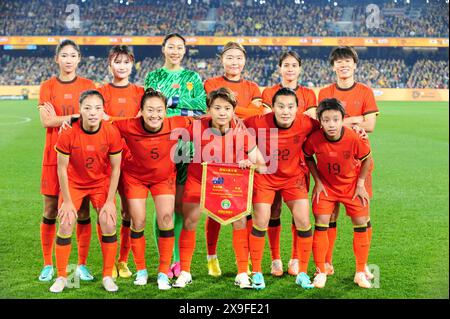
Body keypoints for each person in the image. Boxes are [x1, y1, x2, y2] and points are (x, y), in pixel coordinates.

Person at [172, 87, 266, 289]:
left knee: (239, 222)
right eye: (217, 108)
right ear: (209, 110)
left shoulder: (242, 132)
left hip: (230, 184)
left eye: (226, 108)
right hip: (198, 181)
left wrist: (251, 164)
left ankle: (242, 273)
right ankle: (185, 272)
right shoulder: (196, 127)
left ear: (233, 111)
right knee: (190, 221)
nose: (222, 112)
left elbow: (263, 165)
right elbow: (171, 141)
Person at [113, 89, 193, 289]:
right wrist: (70, 122)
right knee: (138, 221)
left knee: (166, 219)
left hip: (163, 178)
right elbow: (101, 123)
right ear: (140, 110)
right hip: (135, 178)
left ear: (166, 111)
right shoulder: (128, 125)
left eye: (159, 110)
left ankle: (163, 273)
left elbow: (207, 121)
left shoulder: (177, 124)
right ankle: (141, 270)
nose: (154, 115)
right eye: (149, 110)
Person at [203, 41, 268, 277]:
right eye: (229, 57)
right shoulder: (210, 83)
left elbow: (257, 112)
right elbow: (208, 113)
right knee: (214, 208)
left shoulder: (252, 86)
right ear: (222, 60)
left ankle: (246, 258)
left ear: (245, 60)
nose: (234, 62)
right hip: (215, 150)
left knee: (244, 209)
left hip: (245, 151)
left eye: (238, 58)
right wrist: (239, 110)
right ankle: (212, 257)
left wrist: (228, 109)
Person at [144, 33, 207, 279]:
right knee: (163, 206)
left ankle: (179, 261)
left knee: (180, 205)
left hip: (186, 147)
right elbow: (150, 110)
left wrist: (168, 105)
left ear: (184, 50)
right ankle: (165, 259)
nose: (175, 51)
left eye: (179, 47)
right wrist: (182, 107)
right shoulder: (153, 76)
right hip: (160, 146)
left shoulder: (192, 77)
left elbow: (200, 107)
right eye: (171, 47)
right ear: (163, 49)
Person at [244, 87, 318, 290]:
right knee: (261, 220)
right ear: (273, 108)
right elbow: (234, 129)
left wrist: (355, 129)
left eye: (290, 107)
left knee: (303, 220)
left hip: (293, 178)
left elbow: (331, 126)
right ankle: (259, 271)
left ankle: (302, 271)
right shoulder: (257, 122)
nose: (285, 111)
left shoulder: (307, 122)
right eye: (281, 106)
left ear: (297, 109)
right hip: (265, 176)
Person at [50, 90, 122, 293]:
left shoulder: (111, 131)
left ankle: (108, 275)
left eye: (97, 108)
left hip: (100, 184)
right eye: (88, 108)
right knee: (65, 222)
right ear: (80, 109)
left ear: (103, 110)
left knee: (108, 221)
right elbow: (61, 168)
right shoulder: (68, 132)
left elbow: (116, 168)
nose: (92, 112)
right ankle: (62, 276)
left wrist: (109, 201)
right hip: (73, 183)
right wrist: (67, 201)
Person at [38, 39, 96, 282]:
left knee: (81, 210)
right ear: (57, 59)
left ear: (79, 58)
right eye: (64, 55)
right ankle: (48, 264)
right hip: (53, 155)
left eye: (73, 55)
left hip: (81, 158)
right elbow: (46, 121)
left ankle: (81, 264)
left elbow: (94, 118)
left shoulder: (88, 85)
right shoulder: (47, 86)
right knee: (51, 209)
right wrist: (75, 115)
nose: (69, 59)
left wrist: (63, 117)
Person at [318, 46, 379, 279]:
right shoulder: (325, 92)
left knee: (362, 217)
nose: (343, 65)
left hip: (358, 165)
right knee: (329, 216)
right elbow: (323, 125)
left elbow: (371, 125)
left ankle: (361, 268)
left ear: (355, 65)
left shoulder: (365, 91)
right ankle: (326, 263)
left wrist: (341, 120)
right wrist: (356, 120)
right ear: (333, 66)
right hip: (330, 166)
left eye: (348, 61)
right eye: (339, 62)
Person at [303, 98, 373, 289]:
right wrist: (317, 181)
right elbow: (308, 156)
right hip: (327, 187)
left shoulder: (353, 137)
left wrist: (360, 184)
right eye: (326, 120)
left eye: (335, 119)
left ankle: (360, 272)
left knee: (361, 223)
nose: (331, 124)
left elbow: (367, 159)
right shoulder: (315, 138)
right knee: (321, 223)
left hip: (351, 186)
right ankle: (321, 270)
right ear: (320, 121)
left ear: (343, 119)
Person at [261, 50, 317, 277]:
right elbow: (268, 124)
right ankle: (275, 258)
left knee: (298, 213)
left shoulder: (309, 94)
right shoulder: (268, 92)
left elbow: (312, 125)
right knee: (273, 210)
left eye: (294, 65)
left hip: (298, 163)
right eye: (286, 65)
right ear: (280, 68)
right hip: (271, 162)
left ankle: (295, 258)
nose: (290, 69)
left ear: (300, 68)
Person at [98, 45, 144, 279]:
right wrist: (120, 121)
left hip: (131, 159)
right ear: (110, 64)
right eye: (118, 62)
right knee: (106, 212)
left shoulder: (140, 92)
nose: (122, 66)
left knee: (128, 213)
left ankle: (123, 261)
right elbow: (101, 123)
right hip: (104, 160)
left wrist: (113, 119)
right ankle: (108, 263)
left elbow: (139, 123)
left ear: (132, 64)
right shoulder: (102, 92)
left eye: (126, 62)